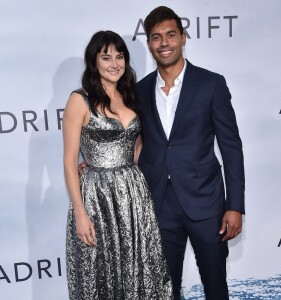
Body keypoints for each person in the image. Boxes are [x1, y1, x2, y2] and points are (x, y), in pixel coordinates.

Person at [136, 6, 245, 300]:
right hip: (158, 205)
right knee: (164, 290)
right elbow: (130, 141)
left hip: (206, 205)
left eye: (170, 35)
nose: (164, 43)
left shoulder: (211, 84)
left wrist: (235, 205)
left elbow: (231, 147)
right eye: (156, 37)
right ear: (149, 44)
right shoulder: (140, 91)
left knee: (215, 286)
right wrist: (93, 163)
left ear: (183, 38)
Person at [63, 30, 172, 300]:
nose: (114, 64)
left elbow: (136, 146)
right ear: (94, 62)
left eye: (120, 56)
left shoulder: (132, 95)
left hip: (134, 195)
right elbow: (68, 162)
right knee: (100, 272)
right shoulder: (80, 99)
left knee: (140, 268)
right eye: (106, 57)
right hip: (97, 199)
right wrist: (80, 214)